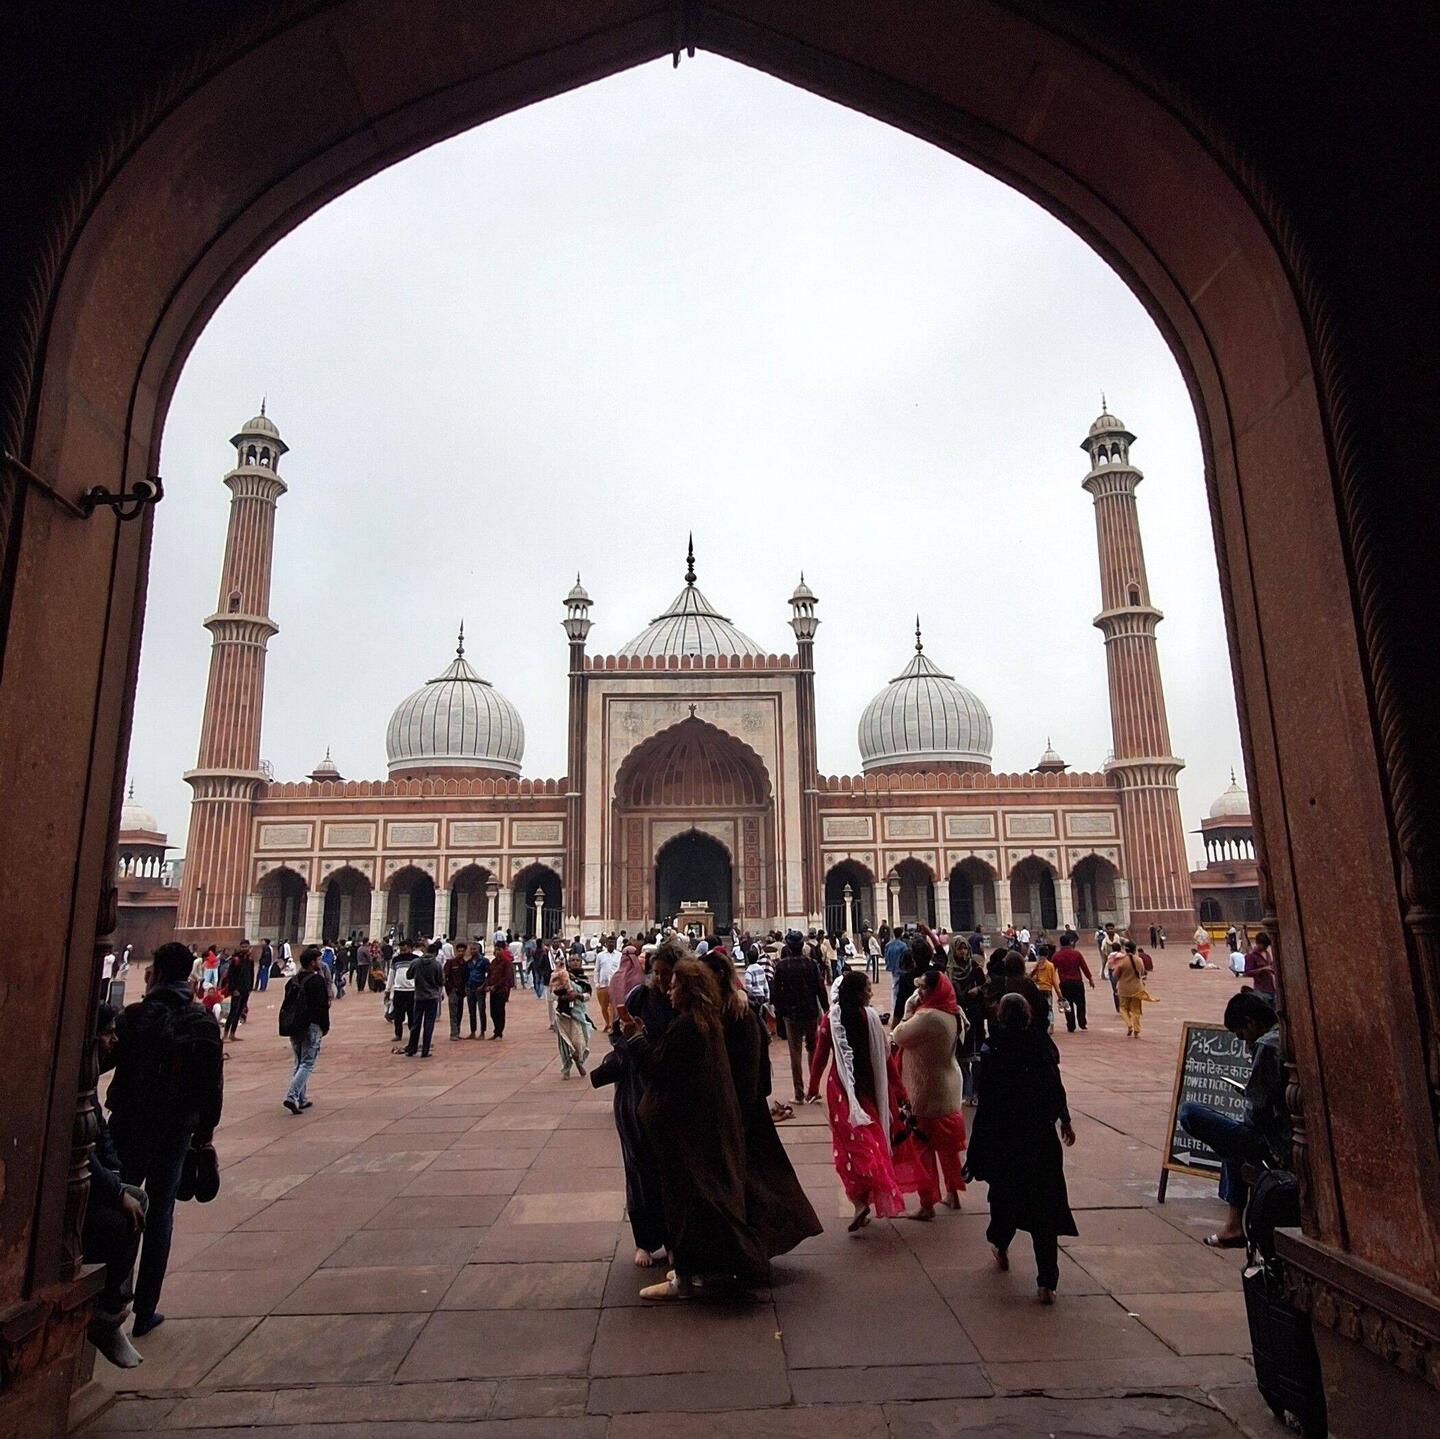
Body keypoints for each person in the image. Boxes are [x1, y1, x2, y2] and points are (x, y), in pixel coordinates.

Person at [622, 959, 770, 1299]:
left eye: (675, 985)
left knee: (684, 1202)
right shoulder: (706, 1023)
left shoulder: (688, 1027)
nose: (669, 991)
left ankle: (686, 1278)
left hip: (685, 1130)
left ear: (687, 991)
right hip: (702, 1125)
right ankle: (698, 1270)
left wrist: (636, 1038)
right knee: (699, 1201)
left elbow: (658, 1067)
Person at [107, 941, 224, 1338]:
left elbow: (101, 1060)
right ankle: (145, 1310)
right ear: (189, 973)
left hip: (130, 1124)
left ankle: (110, 1300)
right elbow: (211, 1086)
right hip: (176, 1129)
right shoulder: (201, 1020)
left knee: (121, 1206)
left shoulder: (136, 1016)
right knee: (160, 1216)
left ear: (155, 972)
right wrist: (205, 1133)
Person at [700, 949, 823, 1257]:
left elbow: (752, 1067)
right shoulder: (722, 1011)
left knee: (750, 1180)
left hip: (741, 1109)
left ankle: (752, 1245)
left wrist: (740, 1107)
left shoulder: (739, 1014)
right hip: (737, 1106)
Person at [965, 992, 1078, 1304]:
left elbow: (986, 1103)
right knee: (1045, 1209)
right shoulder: (1040, 1044)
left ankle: (1000, 1244)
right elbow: (1055, 1085)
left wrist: (978, 1149)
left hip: (1006, 1138)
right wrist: (1065, 1120)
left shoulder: (993, 1049)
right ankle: (1047, 1282)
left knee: (1005, 1198)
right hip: (1039, 1138)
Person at [1179, 989, 1292, 1247]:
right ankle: (1233, 1226)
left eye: (1241, 1035)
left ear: (1250, 1023)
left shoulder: (1267, 1045)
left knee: (1190, 1113)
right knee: (1230, 1142)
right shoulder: (1281, 1036)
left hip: (1275, 1143)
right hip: (1281, 1135)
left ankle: (1233, 1226)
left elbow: (1258, 1109)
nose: (1243, 1042)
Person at [807, 970, 913, 1230]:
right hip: (869, 1087)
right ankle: (864, 1197)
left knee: (849, 1145)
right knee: (870, 1138)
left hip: (841, 1090)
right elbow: (887, 1062)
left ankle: (859, 1201)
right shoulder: (871, 1019)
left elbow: (820, 1057)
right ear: (857, 993)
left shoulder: (830, 1020)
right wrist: (900, 1092)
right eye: (867, 988)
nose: (870, 992)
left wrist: (812, 1086)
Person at [604, 940, 679, 1266]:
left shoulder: (683, 1001)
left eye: (667, 973)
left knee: (670, 1170)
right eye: (657, 973)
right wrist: (631, 1035)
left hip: (668, 1090)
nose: (661, 979)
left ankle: (673, 1238)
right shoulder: (639, 997)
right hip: (636, 1090)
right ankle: (644, 1241)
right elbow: (616, 1035)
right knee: (638, 1167)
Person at [84, 1003, 148, 1368]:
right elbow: (80, 1148)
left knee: (139, 1198)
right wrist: (115, 1189)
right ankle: (108, 1313)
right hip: (79, 1190)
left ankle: (113, 1310)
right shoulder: (73, 1077)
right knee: (128, 1213)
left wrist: (115, 1174)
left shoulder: (88, 1076)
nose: (114, 1040)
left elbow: (99, 1131)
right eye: (108, 1033)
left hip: (97, 1173)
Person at [891, 969, 969, 1219]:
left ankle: (927, 1203)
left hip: (926, 1088)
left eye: (924, 988)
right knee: (947, 1148)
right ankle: (952, 1193)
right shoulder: (954, 1012)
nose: (920, 992)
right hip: (948, 1084)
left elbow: (898, 1035)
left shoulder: (928, 1017)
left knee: (922, 1146)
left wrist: (908, 1010)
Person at [772, 930, 826, 1106]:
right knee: (813, 1049)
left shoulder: (782, 966)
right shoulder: (811, 964)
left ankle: (799, 1093)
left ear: (788, 946)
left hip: (791, 1014)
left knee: (795, 1053)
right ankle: (814, 1090)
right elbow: (820, 988)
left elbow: (775, 993)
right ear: (802, 946)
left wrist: (780, 1012)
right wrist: (826, 1009)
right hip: (810, 1012)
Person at [281, 944, 330, 1112]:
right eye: (318, 960)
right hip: (312, 1025)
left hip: (295, 1025)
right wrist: (325, 1026)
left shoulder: (292, 981)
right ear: (312, 963)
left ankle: (301, 1099)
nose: (320, 963)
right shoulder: (317, 981)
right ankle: (292, 1096)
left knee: (298, 1062)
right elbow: (322, 1007)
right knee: (307, 1063)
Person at [549, 959, 593, 1078]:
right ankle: (566, 1069)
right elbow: (553, 993)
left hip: (578, 1015)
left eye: (577, 960)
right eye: (572, 960)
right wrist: (564, 997)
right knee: (565, 1043)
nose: (575, 962)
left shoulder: (583, 979)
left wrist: (577, 996)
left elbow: (588, 995)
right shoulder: (561, 976)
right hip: (563, 1015)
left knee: (580, 1042)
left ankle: (579, 1062)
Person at [405, 943, 444, 1057]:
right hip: (432, 997)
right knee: (429, 1023)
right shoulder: (436, 965)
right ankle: (425, 1050)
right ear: (435, 953)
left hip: (419, 996)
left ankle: (412, 1048)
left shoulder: (415, 962)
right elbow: (440, 981)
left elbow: (409, 976)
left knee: (416, 1023)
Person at [1051, 934, 1094, 1032]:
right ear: (1070, 943)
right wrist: (1090, 978)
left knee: (1068, 1004)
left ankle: (1071, 1025)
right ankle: (1082, 1023)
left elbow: (1052, 969)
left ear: (1060, 943)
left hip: (1064, 983)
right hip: (1077, 982)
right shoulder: (1076, 954)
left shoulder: (1056, 956)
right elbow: (1084, 967)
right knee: (1080, 1003)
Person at [1109, 940, 1150, 1037]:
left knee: (1123, 1008)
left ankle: (1129, 1025)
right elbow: (1142, 972)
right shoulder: (1139, 960)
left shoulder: (1122, 961)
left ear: (1125, 950)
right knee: (1136, 1010)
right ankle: (1137, 1030)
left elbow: (1115, 974)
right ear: (1135, 949)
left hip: (1124, 989)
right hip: (1137, 988)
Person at [386, 941, 416, 1049]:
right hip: (399, 990)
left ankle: (413, 1033)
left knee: (412, 1013)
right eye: (401, 949)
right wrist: (388, 989)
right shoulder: (396, 960)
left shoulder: (416, 959)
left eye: (405, 949)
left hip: (412, 990)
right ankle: (398, 1034)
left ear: (410, 948)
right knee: (398, 1014)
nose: (402, 951)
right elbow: (391, 974)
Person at [222, 940, 253, 1041]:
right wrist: (233, 989)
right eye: (243, 947)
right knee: (233, 1012)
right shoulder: (236, 959)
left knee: (239, 1012)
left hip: (245, 989)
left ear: (249, 947)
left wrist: (250, 988)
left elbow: (251, 974)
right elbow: (230, 976)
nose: (244, 948)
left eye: (246, 947)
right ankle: (225, 1035)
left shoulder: (250, 959)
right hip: (237, 990)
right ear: (240, 947)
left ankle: (232, 1034)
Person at [488, 937, 515, 1038]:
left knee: (500, 1011)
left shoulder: (506, 963)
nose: (497, 952)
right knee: (493, 1012)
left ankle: (499, 1031)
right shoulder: (493, 962)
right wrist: (488, 985)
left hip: (501, 990)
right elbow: (490, 975)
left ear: (503, 950)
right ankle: (496, 1029)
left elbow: (506, 977)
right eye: (496, 949)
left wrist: (496, 986)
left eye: (499, 949)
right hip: (493, 990)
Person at [1029, 943, 1060, 1032]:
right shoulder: (1050, 965)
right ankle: (1051, 1025)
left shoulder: (1037, 965)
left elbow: (1030, 976)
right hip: (1047, 989)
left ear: (1038, 954)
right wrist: (1059, 995)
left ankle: (1040, 1025)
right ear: (1047, 954)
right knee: (1049, 1008)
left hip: (1038, 989)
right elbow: (1054, 981)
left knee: (1038, 1008)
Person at [594, 933, 621, 1030]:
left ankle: (612, 1025)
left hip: (615, 985)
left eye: (613, 942)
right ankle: (607, 1022)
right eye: (609, 942)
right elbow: (597, 970)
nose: (611, 944)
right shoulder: (600, 956)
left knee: (614, 1006)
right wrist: (597, 983)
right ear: (606, 943)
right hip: (603, 985)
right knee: (604, 1006)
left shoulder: (619, 955)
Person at [1242, 930, 1277, 1004]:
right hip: (1261, 989)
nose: (1266, 948)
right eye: (1264, 946)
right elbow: (1247, 972)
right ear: (1258, 943)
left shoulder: (1267, 953)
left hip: (1272, 987)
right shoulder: (1251, 956)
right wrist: (1262, 969)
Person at [463, 942, 490, 1037]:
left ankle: (482, 1031)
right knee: (471, 1011)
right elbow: (465, 975)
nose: (472, 951)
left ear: (479, 950)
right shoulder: (468, 962)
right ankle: (473, 1031)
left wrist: (483, 986)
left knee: (481, 1010)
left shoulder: (484, 961)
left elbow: (489, 974)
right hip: (470, 987)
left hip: (480, 988)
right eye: (471, 949)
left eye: (474, 949)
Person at [444, 941, 469, 1040]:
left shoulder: (465, 964)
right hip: (453, 991)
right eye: (459, 951)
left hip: (461, 992)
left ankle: (457, 1032)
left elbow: (466, 978)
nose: (461, 953)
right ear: (456, 951)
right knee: (453, 1013)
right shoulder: (450, 963)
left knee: (459, 1012)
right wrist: (450, 988)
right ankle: (453, 1033)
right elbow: (445, 977)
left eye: (463, 951)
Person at [883, 927, 909, 1015]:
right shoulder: (903, 945)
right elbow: (906, 957)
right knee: (900, 988)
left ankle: (894, 1006)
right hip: (901, 968)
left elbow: (886, 956)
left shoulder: (888, 945)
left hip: (893, 968)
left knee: (894, 987)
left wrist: (888, 964)